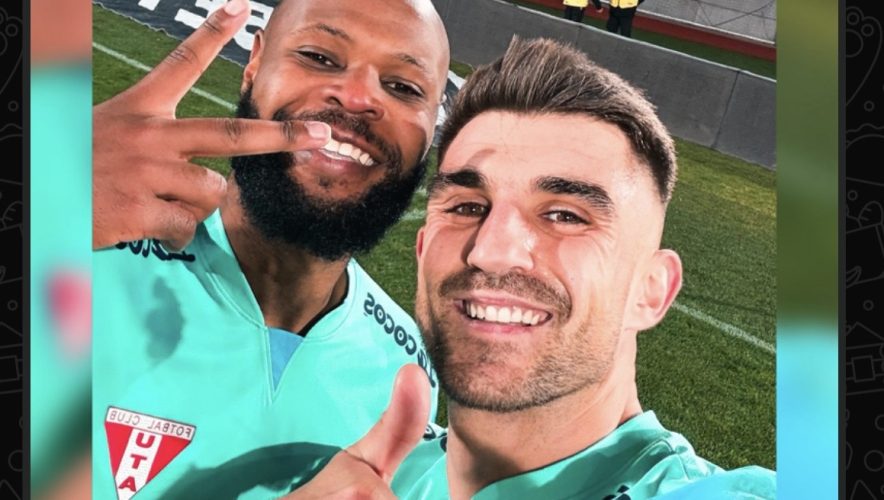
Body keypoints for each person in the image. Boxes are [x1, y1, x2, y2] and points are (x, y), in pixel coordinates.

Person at [289, 37, 777, 499]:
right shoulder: (358, 477)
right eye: (466, 206)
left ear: (652, 291)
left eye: (565, 216)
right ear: (422, 251)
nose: (490, 251)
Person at [91, 0, 450, 498]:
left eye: (404, 87)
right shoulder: (79, 253)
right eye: (319, 57)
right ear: (254, 64)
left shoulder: (407, 369)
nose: (357, 97)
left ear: (432, 129)